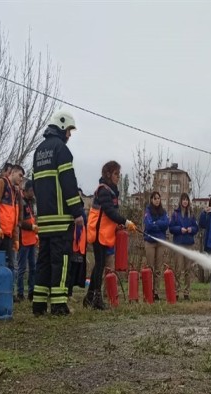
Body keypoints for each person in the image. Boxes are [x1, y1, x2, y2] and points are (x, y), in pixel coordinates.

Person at [31, 109, 85, 316]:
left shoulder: (39, 151)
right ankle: (59, 305)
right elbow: (68, 183)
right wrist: (77, 211)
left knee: (43, 261)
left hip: (44, 219)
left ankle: (38, 304)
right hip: (62, 219)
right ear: (62, 127)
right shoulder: (61, 149)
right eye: (69, 130)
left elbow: (35, 185)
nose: (69, 135)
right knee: (61, 261)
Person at [85, 161, 136, 309]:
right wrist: (126, 222)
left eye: (119, 175)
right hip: (98, 233)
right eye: (116, 174)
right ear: (108, 174)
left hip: (104, 233)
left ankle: (90, 297)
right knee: (100, 266)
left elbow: (110, 215)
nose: (118, 177)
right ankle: (96, 299)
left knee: (99, 266)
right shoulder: (103, 190)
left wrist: (119, 224)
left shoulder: (111, 191)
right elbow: (109, 212)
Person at [0, 164, 23, 268]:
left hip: (8, 235)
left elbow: (15, 216)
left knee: (8, 266)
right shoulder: (0, 183)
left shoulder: (15, 192)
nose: (21, 179)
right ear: (12, 173)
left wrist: (16, 238)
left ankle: (6, 284)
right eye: (20, 175)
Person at [169, 192, 198, 301]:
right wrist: (179, 230)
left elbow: (196, 228)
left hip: (189, 244)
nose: (185, 201)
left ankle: (186, 292)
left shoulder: (191, 214)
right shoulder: (175, 214)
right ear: (180, 201)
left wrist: (191, 229)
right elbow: (171, 228)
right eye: (183, 199)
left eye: (187, 199)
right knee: (178, 269)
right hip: (178, 245)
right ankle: (176, 292)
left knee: (187, 270)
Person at [143, 191, 169, 301]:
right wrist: (158, 224)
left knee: (158, 269)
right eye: (155, 198)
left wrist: (155, 223)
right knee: (150, 268)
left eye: (158, 198)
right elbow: (148, 225)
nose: (157, 200)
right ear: (151, 200)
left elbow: (166, 224)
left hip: (161, 242)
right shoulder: (148, 211)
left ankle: (156, 292)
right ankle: (149, 291)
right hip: (150, 241)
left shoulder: (163, 212)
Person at [16, 180, 38, 302]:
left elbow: (33, 218)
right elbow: (19, 222)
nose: (33, 193)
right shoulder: (21, 202)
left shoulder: (31, 202)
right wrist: (31, 227)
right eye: (31, 191)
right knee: (22, 268)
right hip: (23, 239)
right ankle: (20, 293)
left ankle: (31, 292)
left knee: (33, 268)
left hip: (31, 239)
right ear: (25, 191)